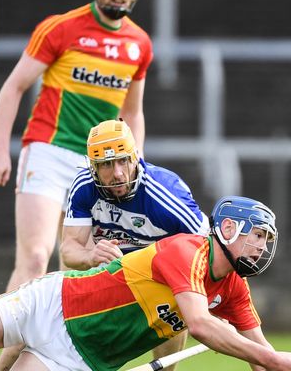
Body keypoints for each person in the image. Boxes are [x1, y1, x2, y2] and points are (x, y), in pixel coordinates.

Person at [0, 196, 291, 371]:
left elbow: (261, 355)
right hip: (49, 302)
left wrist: (278, 364)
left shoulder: (233, 289)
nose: (262, 248)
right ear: (228, 228)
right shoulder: (184, 251)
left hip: (75, 358)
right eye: (259, 237)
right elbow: (201, 326)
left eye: (266, 241)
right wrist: (271, 360)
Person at [0, 0, 152, 370]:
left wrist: (137, 166)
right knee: (35, 260)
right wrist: (0, 147)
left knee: (75, 270)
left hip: (99, 167)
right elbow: (14, 86)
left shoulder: (139, 44)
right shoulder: (61, 28)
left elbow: (132, 114)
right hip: (49, 150)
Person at [60, 119, 209, 369]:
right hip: (111, 272)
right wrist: (90, 255)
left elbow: (209, 250)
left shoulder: (167, 194)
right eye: (106, 164)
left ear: (135, 157)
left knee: (176, 296)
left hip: (159, 274)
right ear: (93, 167)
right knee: (58, 292)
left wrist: (216, 301)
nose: (117, 173)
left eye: (123, 161)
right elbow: (69, 250)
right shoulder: (84, 186)